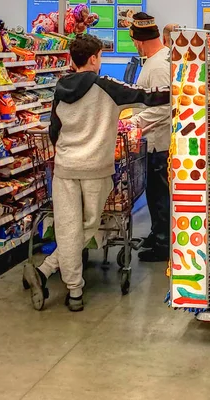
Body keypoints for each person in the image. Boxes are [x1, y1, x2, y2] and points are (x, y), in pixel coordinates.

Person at [23, 34, 170, 312]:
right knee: (89, 226)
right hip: (96, 169)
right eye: (100, 56)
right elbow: (147, 97)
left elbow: (54, 129)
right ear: (93, 59)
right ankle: (50, 275)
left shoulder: (60, 88)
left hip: (65, 168)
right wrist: (181, 88)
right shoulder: (106, 86)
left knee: (68, 228)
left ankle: (65, 285)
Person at [128, 13, 171, 262]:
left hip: (159, 142)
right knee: (155, 193)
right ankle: (158, 234)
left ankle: (163, 244)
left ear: (139, 41)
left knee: (159, 194)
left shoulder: (157, 66)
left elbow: (163, 108)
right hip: (155, 140)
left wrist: (133, 123)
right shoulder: (159, 59)